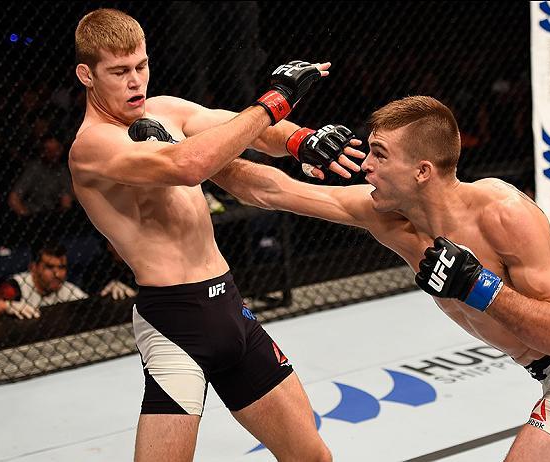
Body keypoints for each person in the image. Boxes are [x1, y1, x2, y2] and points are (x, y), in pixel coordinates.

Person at [214, 96, 550, 461]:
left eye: (379, 155)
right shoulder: (384, 217)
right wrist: (182, 151)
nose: (365, 166)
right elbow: (271, 189)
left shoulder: (500, 212)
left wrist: (480, 287)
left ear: (422, 170)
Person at [69, 8, 362, 462]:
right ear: (86, 74)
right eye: (119, 72)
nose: (135, 82)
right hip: (175, 324)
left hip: (229, 306)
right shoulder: (92, 146)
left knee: (313, 458)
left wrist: (301, 139)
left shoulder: (165, 110)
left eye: (141, 66)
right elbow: (187, 166)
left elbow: (240, 129)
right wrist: (275, 101)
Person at [0, 240, 88, 319]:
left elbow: (90, 306)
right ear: (33, 268)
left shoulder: (68, 289)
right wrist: (7, 306)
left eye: (61, 267)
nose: (57, 274)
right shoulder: (15, 286)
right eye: (49, 267)